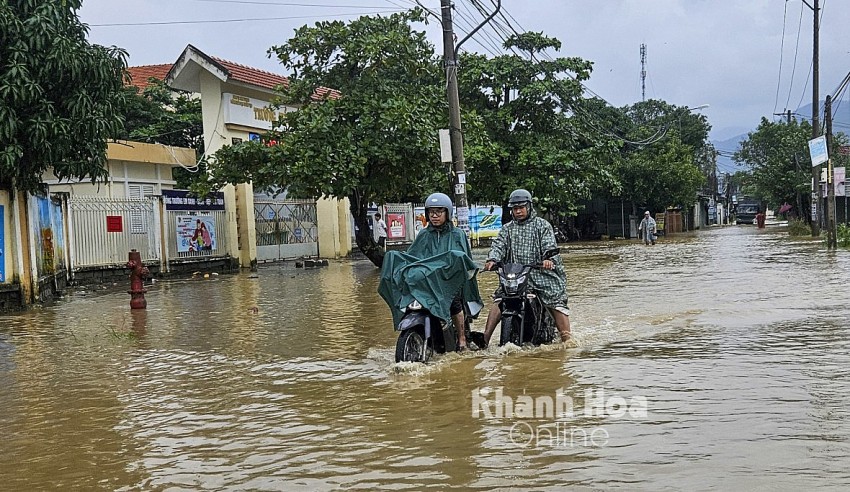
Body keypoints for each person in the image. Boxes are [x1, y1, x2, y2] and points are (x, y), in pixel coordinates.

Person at [377, 192, 482, 351]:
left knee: (455, 303)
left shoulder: (457, 234)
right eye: (431, 212)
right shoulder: (424, 234)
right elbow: (413, 256)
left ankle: (461, 340)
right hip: (429, 282)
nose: (435, 216)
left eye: (439, 211)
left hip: (449, 282)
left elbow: (464, 260)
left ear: (447, 213)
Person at [482, 189, 571, 345]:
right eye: (515, 208)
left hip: (541, 274)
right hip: (516, 276)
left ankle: (567, 339)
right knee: (499, 298)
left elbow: (549, 246)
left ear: (529, 207)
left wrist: (547, 259)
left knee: (555, 299)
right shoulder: (507, 229)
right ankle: (485, 339)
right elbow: (498, 246)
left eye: (521, 207)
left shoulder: (542, 226)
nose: (518, 211)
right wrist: (492, 260)